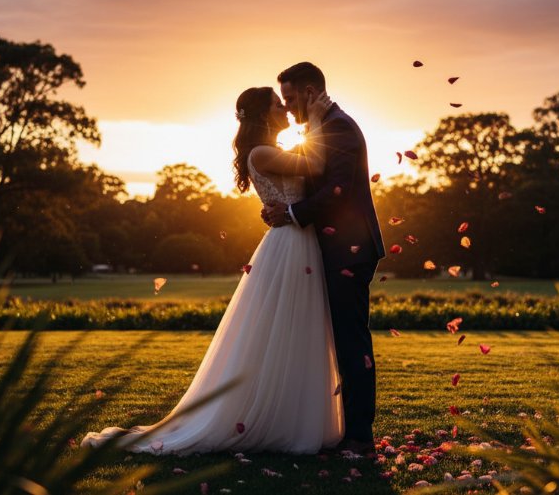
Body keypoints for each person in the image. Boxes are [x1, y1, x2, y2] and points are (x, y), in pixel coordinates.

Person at [82, 85, 343, 454]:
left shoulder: (271, 151)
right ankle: (279, 420)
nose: (285, 109)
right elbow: (315, 165)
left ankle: (294, 415)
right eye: (277, 104)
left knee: (297, 328)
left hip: (298, 239)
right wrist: (315, 120)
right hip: (289, 245)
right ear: (262, 115)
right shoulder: (262, 153)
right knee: (284, 326)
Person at [262, 62, 386, 454]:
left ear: (311, 92)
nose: (288, 107)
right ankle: (344, 429)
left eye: (290, 98)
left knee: (351, 339)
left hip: (349, 249)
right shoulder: (322, 126)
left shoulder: (339, 128)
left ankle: (360, 437)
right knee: (340, 339)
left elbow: (336, 190)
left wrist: (291, 213)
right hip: (333, 248)